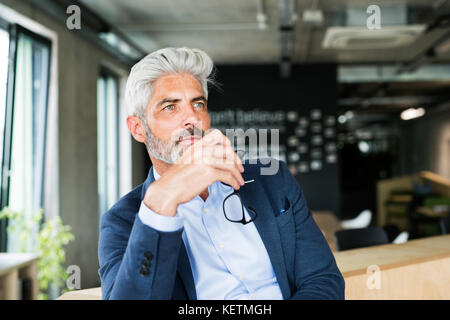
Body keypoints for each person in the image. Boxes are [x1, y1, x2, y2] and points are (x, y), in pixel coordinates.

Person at [98, 47, 345, 300]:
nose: (192, 119)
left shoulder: (272, 179)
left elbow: (323, 280)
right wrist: (161, 202)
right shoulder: (122, 221)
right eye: (170, 107)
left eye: (198, 104)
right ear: (138, 129)